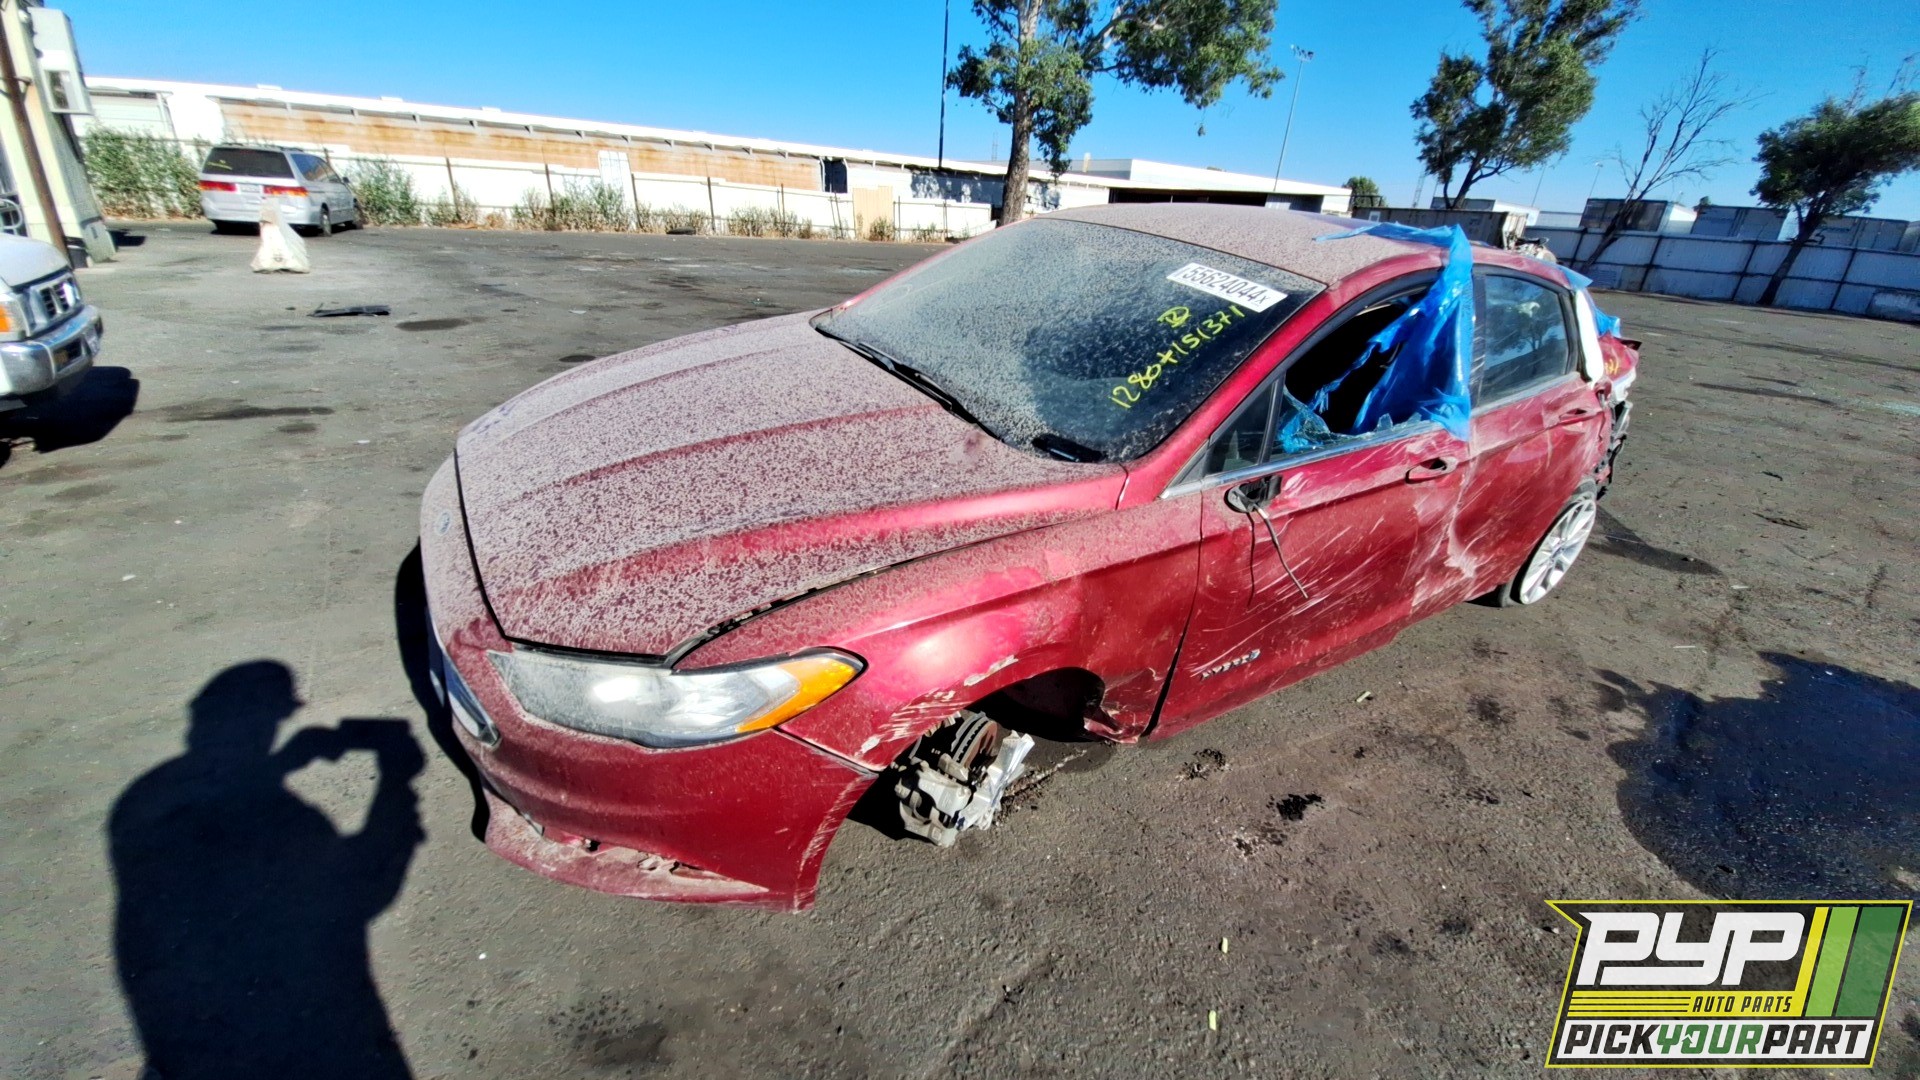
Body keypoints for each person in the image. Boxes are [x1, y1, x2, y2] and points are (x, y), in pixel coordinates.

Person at [109, 661, 424, 1080]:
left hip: (181, 1034)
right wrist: (396, 784)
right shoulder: (290, 822)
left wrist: (283, 762)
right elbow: (364, 892)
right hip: (289, 1040)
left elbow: (217, 804)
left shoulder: (145, 797)